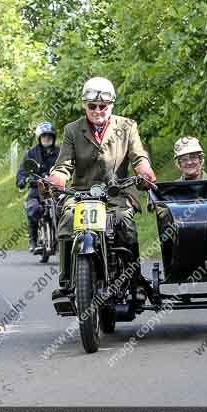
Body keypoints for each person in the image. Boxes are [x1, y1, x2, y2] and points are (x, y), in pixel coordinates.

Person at [46, 77, 157, 290]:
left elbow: (138, 155)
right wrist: (57, 179)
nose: (98, 110)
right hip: (81, 194)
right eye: (92, 106)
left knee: (124, 221)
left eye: (103, 106)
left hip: (118, 192)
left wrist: (144, 170)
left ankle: (133, 280)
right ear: (84, 106)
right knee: (68, 217)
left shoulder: (127, 126)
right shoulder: (72, 130)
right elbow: (64, 165)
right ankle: (68, 278)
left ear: (111, 105)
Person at [16, 121, 61, 252]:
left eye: (49, 136)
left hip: (55, 189)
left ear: (53, 138)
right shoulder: (31, 153)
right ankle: (33, 239)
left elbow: (70, 166)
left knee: (65, 209)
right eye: (44, 136)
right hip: (37, 189)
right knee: (33, 208)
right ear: (39, 138)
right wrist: (23, 179)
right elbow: (23, 170)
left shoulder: (60, 152)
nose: (47, 139)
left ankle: (66, 239)